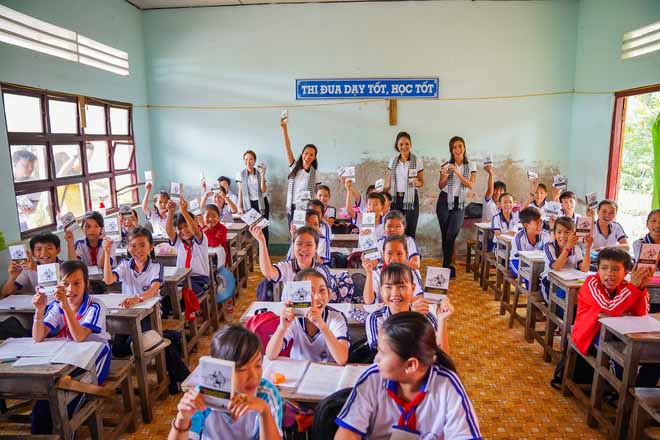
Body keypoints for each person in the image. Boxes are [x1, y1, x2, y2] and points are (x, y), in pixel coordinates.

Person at [334, 312, 479, 440]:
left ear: (411, 365)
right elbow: (347, 432)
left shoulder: (447, 385)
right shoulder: (373, 378)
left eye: (382, 353)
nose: (376, 359)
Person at [31, 260, 112, 434]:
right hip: (67, 358)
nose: (70, 289)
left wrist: (66, 307)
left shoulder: (96, 306)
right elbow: (38, 337)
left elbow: (79, 337)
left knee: (69, 403)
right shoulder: (55, 306)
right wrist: (39, 310)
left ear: (86, 284)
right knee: (41, 407)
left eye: (77, 283)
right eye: (65, 284)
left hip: (94, 359)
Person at [168, 325, 282, 440]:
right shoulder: (203, 396)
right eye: (242, 369)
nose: (254, 376)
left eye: (258, 365)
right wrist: (182, 418)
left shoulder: (266, 394)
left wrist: (264, 411)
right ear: (220, 369)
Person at [571, 248, 660, 387]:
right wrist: (633, 287)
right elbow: (609, 308)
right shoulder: (591, 283)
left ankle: (638, 390)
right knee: (620, 359)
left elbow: (641, 313)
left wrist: (641, 287)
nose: (609, 273)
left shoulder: (627, 286)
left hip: (619, 334)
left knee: (655, 357)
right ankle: (620, 388)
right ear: (597, 269)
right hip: (591, 334)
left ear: (626, 272)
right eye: (604, 268)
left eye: (616, 269)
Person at [266, 269, 349, 365]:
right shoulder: (293, 318)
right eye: (309, 292)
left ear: (329, 294)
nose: (317, 297)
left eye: (322, 290)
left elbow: (342, 359)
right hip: (298, 370)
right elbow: (270, 355)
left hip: (329, 370)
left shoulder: (337, 317)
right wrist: (282, 328)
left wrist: (323, 326)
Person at [364, 263, 452, 352]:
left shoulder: (425, 315)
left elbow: (443, 355)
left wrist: (441, 320)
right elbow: (387, 355)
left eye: (402, 287)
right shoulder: (375, 318)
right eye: (388, 287)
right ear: (381, 290)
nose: (395, 293)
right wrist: (410, 319)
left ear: (413, 289)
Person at [251, 225, 337, 296]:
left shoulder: (321, 271)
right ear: (293, 245)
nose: (304, 249)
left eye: (309, 245)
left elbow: (328, 295)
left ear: (316, 248)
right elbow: (268, 272)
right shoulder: (287, 267)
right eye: (299, 244)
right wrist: (262, 241)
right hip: (289, 310)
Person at [437, 136, 477, 278]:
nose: (457, 149)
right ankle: (447, 266)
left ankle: (447, 265)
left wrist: (457, 172)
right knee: (445, 235)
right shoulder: (446, 164)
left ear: (464, 148)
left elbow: (470, 185)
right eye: (454, 147)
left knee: (451, 235)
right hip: (444, 201)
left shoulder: (471, 165)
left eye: (460, 146)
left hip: (459, 203)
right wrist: (444, 175)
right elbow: (440, 186)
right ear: (451, 150)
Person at [102, 227, 163, 307]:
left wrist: (138, 298)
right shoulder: (125, 264)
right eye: (133, 246)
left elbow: (153, 290)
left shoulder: (156, 266)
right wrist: (107, 253)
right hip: (129, 307)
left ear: (150, 247)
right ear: (128, 247)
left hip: (151, 309)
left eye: (142, 245)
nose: (138, 250)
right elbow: (108, 280)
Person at [540, 217, 592, 303]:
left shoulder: (576, 248)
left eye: (567, 232)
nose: (563, 236)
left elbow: (585, 268)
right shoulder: (549, 246)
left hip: (569, 285)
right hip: (550, 285)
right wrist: (568, 247)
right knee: (565, 304)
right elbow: (556, 267)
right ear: (554, 233)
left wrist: (588, 248)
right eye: (559, 232)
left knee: (580, 298)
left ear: (574, 234)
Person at [281, 114, 320, 224]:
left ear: (314, 157)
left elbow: (318, 194)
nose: (308, 157)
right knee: (293, 232)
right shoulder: (294, 167)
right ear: (302, 154)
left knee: (304, 231)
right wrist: (284, 129)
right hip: (292, 206)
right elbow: (287, 147)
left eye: (311, 155)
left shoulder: (315, 174)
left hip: (306, 208)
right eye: (306, 153)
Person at [383, 132, 424, 238]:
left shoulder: (417, 160)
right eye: (401, 144)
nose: (404, 147)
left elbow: (421, 182)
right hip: (395, 199)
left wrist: (417, 182)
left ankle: (410, 249)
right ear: (397, 145)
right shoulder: (392, 161)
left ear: (410, 144)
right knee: (395, 230)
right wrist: (380, 191)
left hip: (411, 198)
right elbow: (388, 184)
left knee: (410, 230)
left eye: (406, 144)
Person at [166, 197, 210, 295]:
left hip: (199, 279)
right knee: (167, 292)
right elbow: (169, 231)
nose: (184, 230)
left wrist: (184, 212)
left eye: (186, 226)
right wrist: (170, 212)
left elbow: (195, 230)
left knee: (185, 292)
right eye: (180, 228)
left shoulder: (200, 240)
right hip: (180, 278)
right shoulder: (179, 242)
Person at [363, 236, 424, 304]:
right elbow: (368, 301)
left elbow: (419, 297)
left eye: (399, 254)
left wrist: (397, 303)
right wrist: (369, 273)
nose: (394, 258)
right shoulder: (377, 273)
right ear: (383, 254)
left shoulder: (411, 273)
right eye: (389, 253)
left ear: (406, 254)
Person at [2, 232, 61, 296]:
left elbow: (60, 287)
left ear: (58, 250)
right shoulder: (28, 269)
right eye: (39, 249)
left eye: (49, 248)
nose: (44, 253)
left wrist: (36, 268)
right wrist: (12, 277)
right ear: (33, 253)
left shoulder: (65, 266)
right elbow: (5, 293)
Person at [237, 150, 270, 242]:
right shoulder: (240, 174)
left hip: (262, 203)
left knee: (263, 228)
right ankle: (256, 250)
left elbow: (263, 190)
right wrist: (239, 206)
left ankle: (264, 249)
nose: (248, 161)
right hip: (249, 204)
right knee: (253, 228)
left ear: (255, 161)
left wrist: (262, 175)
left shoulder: (259, 173)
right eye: (246, 159)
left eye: (251, 159)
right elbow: (240, 191)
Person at [509, 207, 549, 281]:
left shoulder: (544, 235)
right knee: (529, 276)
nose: (541, 224)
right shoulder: (519, 237)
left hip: (536, 263)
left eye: (541, 221)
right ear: (526, 225)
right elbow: (520, 257)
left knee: (546, 275)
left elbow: (548, 252)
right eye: (537, 223)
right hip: (518, 262)